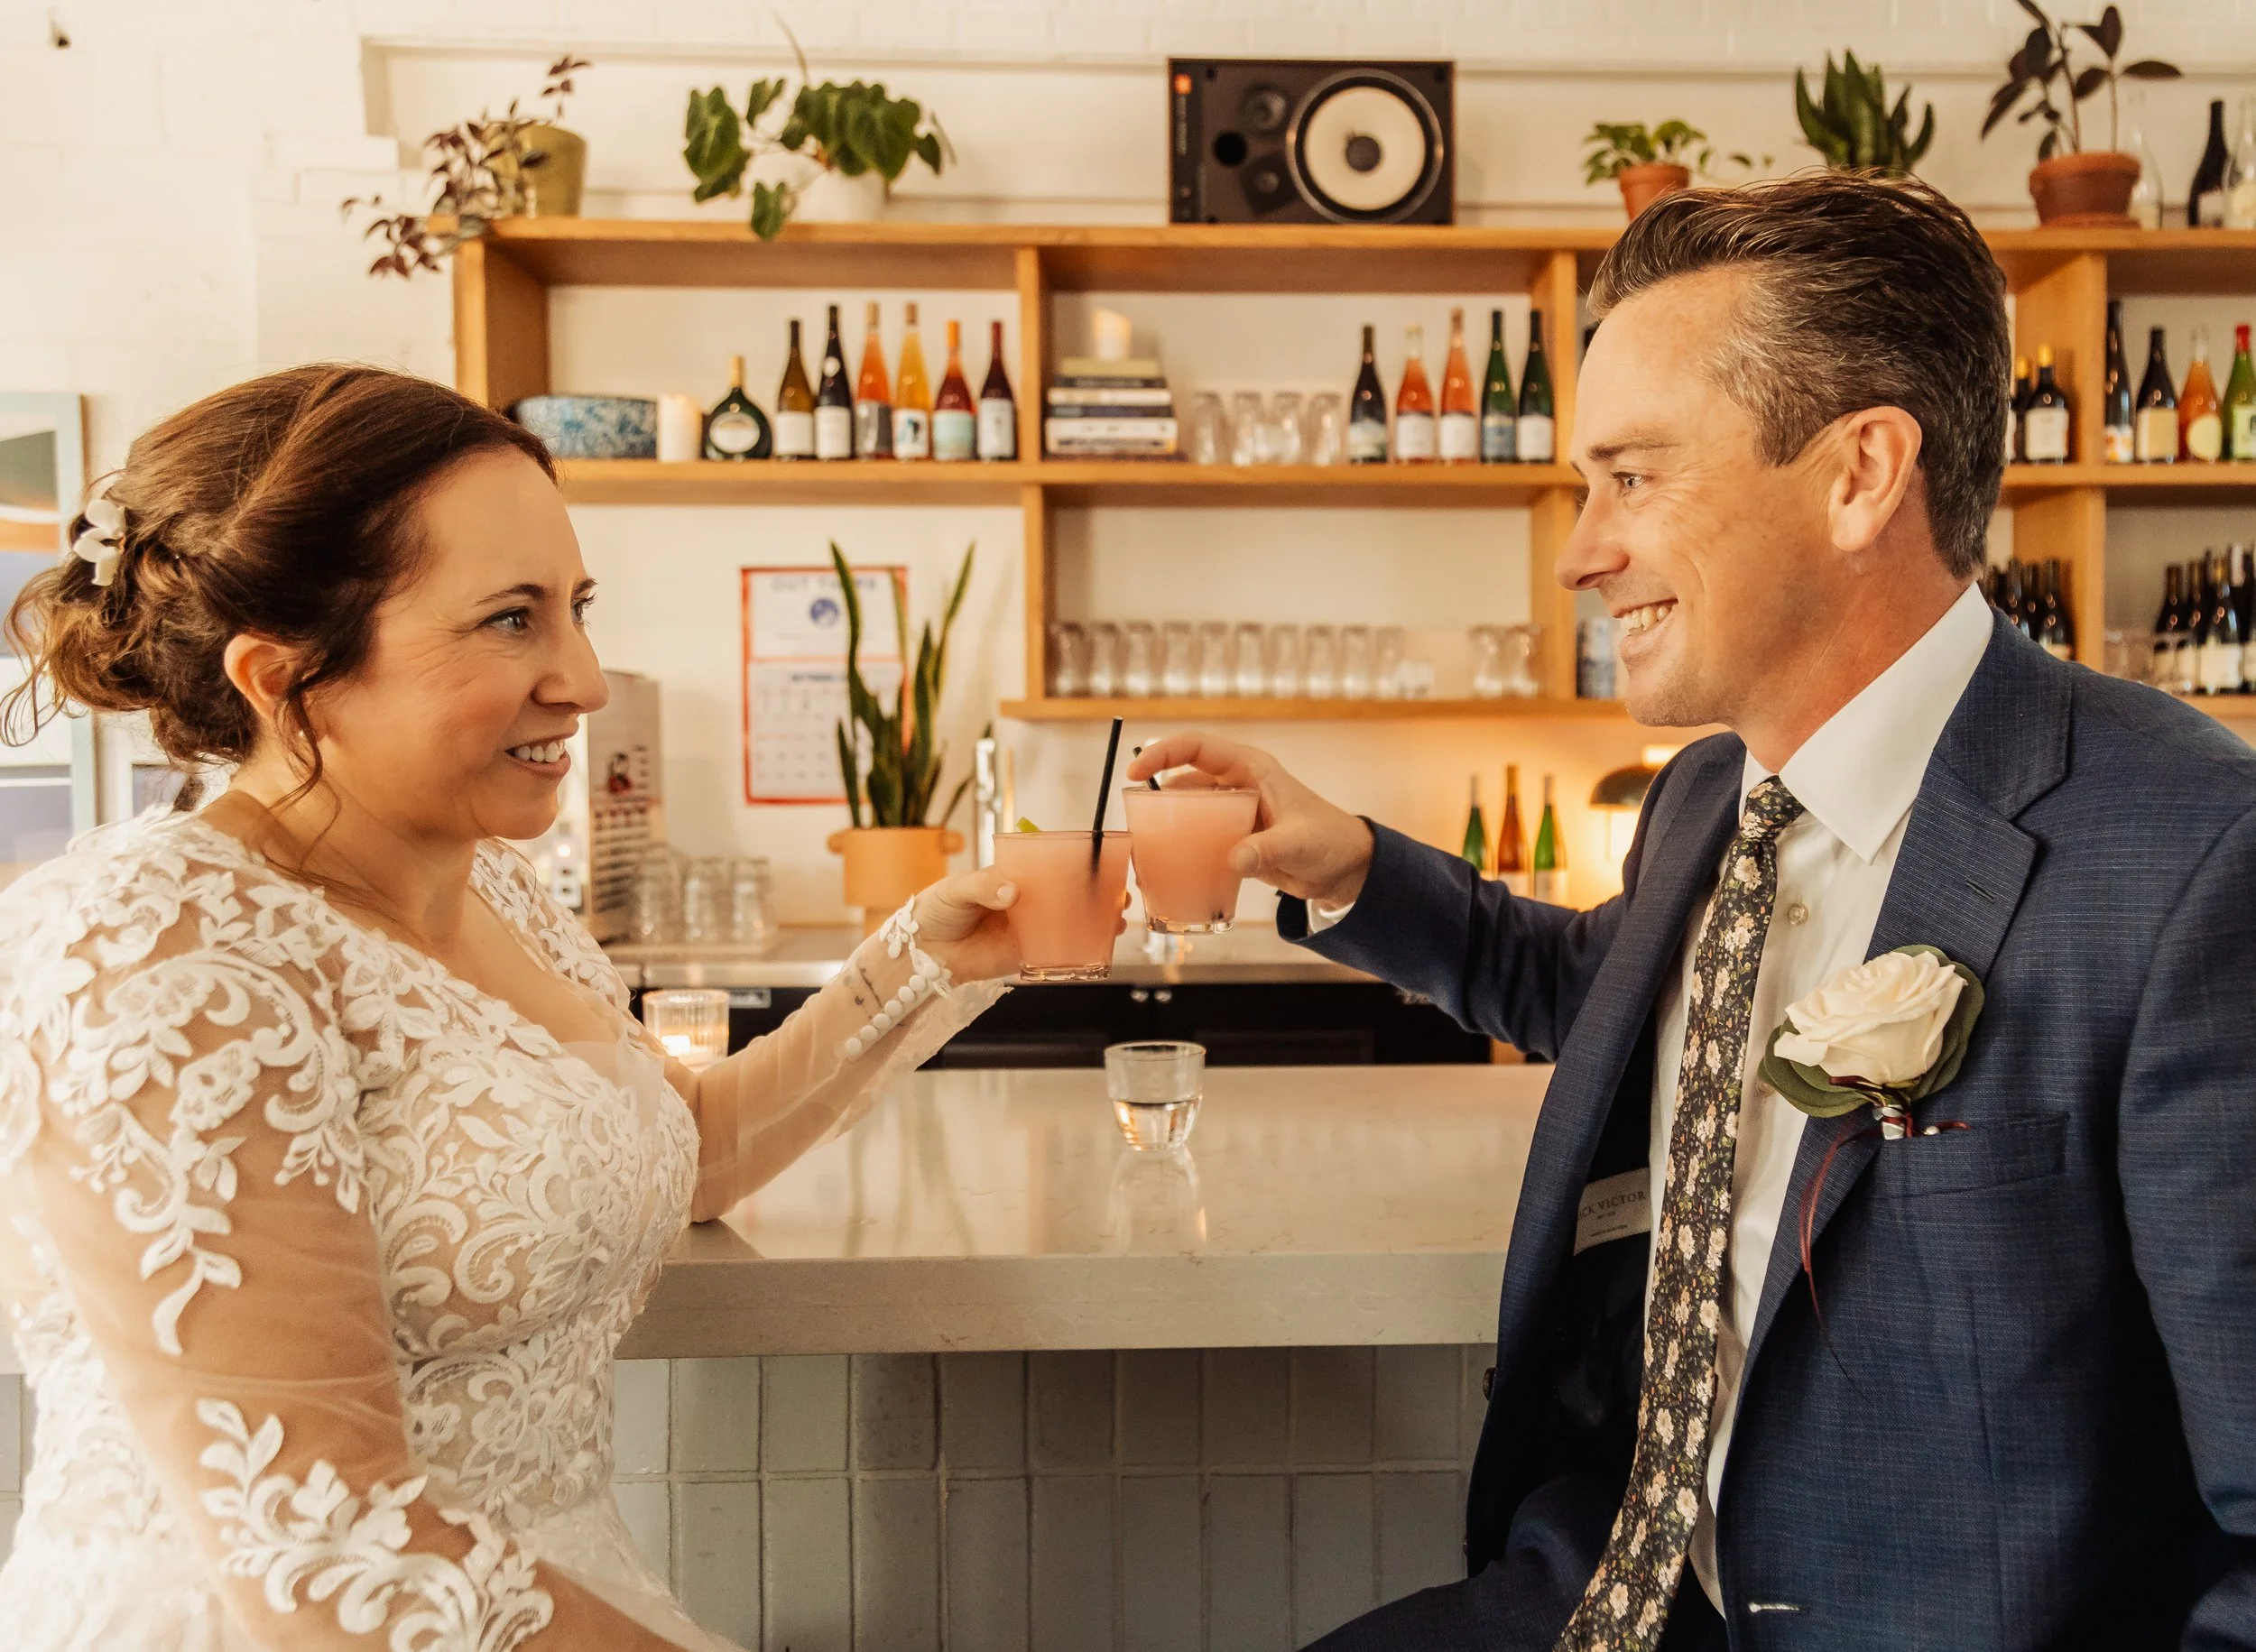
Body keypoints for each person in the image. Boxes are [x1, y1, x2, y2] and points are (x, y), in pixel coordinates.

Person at [1131, 174, 2256, 1650]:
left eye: (1634, 478)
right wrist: (1344, 865)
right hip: (1618, 1587)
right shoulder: (1708, 796)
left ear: (1861, 474)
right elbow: (1595, 991)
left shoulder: (2191, 854)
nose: (1580, 549)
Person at [0, 365, 1044, 1650]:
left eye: (574, 608)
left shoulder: (500, 884)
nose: (586, 679)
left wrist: (931, 959)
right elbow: (321, 1552)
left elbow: (690, 1150)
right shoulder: (162, 943)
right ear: (284, 677)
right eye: (510, 620)